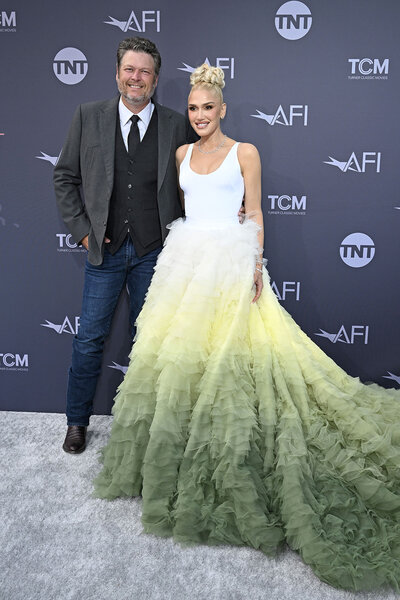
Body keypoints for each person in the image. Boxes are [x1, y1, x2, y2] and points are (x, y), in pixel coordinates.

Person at [93, 64, 400, 592]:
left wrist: (254, 266)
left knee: (236, 366)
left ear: (223, 109)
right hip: (187, 262)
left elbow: (254, 212)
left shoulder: (246, 152)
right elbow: (183, 210)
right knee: (179, 362)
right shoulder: (182, 155)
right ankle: (175, 453)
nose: (199, 116)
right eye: (192, 108)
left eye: (207, 107)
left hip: (233, 263)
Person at [54, 37, 196, 454]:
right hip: (105, 253)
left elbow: (196, 178)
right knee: (89, 340)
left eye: (145, 71)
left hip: (157, 252)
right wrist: (83, 231)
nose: (136, 78)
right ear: (117, 74)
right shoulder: (88, 116)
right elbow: (64, 177)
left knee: (151, 343)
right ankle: (77, 421)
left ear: (155, 79)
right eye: (129, 70)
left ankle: (146, 425)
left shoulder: (175, 123)